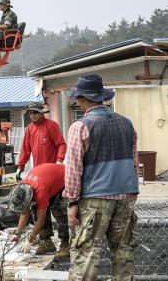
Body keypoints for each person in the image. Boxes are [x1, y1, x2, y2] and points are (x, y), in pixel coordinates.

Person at [64, 74, 138, 281]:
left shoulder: (80, 126)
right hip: (126, 195)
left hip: (95, 197)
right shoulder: (127, 124)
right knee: (123, 252)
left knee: (86, 252)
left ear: (83, 100)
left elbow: (73, 168)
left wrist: (72, 201)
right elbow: (134, 162)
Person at [7, 163, 70, 258]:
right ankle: (46, 242)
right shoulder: (23, 188)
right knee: (35, 208)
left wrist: (30, 240)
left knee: (59, 210)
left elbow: (41, 219)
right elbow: (24, 212)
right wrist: (17, 234)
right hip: (48, 181)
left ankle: (66, 244)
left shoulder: (39, 190)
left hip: (63, 180)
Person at [16, 101, 67, 180]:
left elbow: (61, 144)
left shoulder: (51, 125)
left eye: (35, 112)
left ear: (41, 112)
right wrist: (20, 167)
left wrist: (59, 161)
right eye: (30, 113)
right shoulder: (29, 128)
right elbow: (25, 150)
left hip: (51, 170)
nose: (32, 115)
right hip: (38, 171)